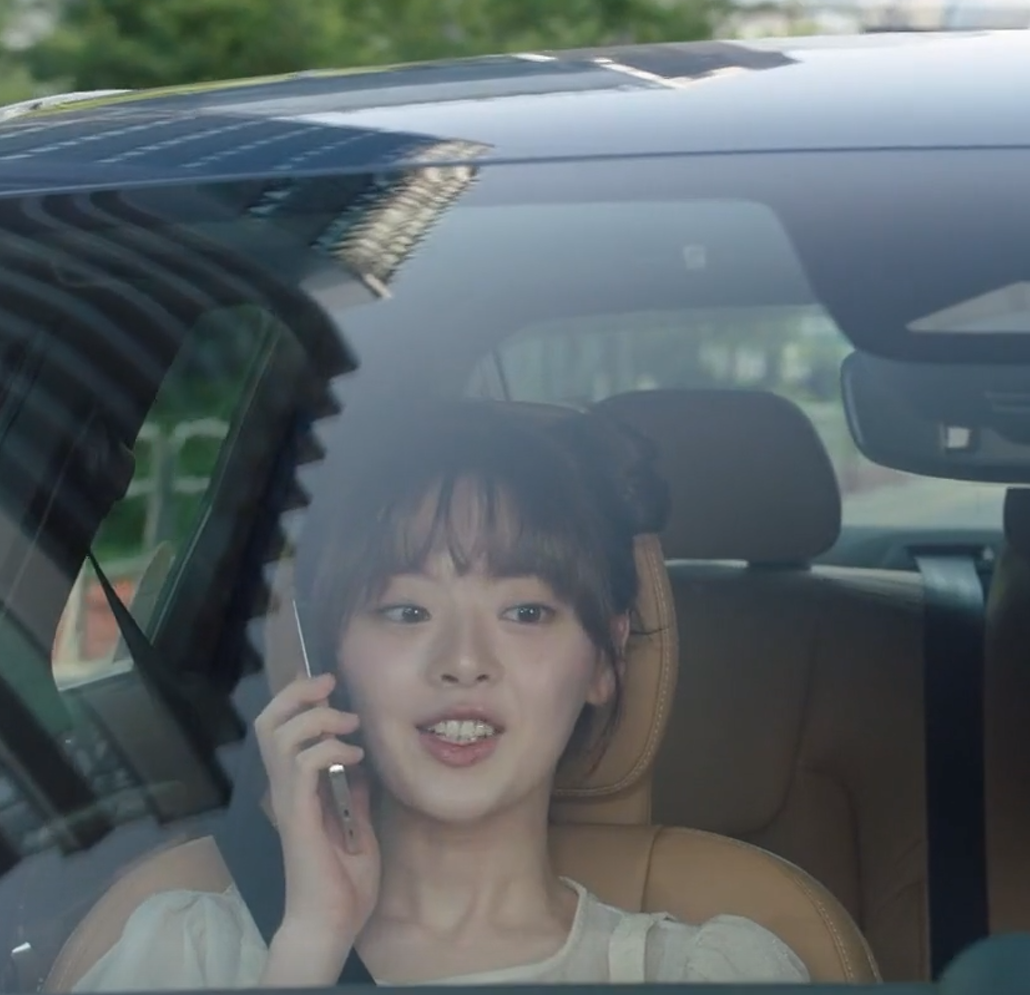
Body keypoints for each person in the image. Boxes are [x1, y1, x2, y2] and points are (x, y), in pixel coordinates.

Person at [74, 402, 811, 988]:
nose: (463, 661)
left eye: (526, 611)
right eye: (405, 611)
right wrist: (308, 946)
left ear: (605, 658)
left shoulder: (703, 974)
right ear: (329, 654)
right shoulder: (187, 955)